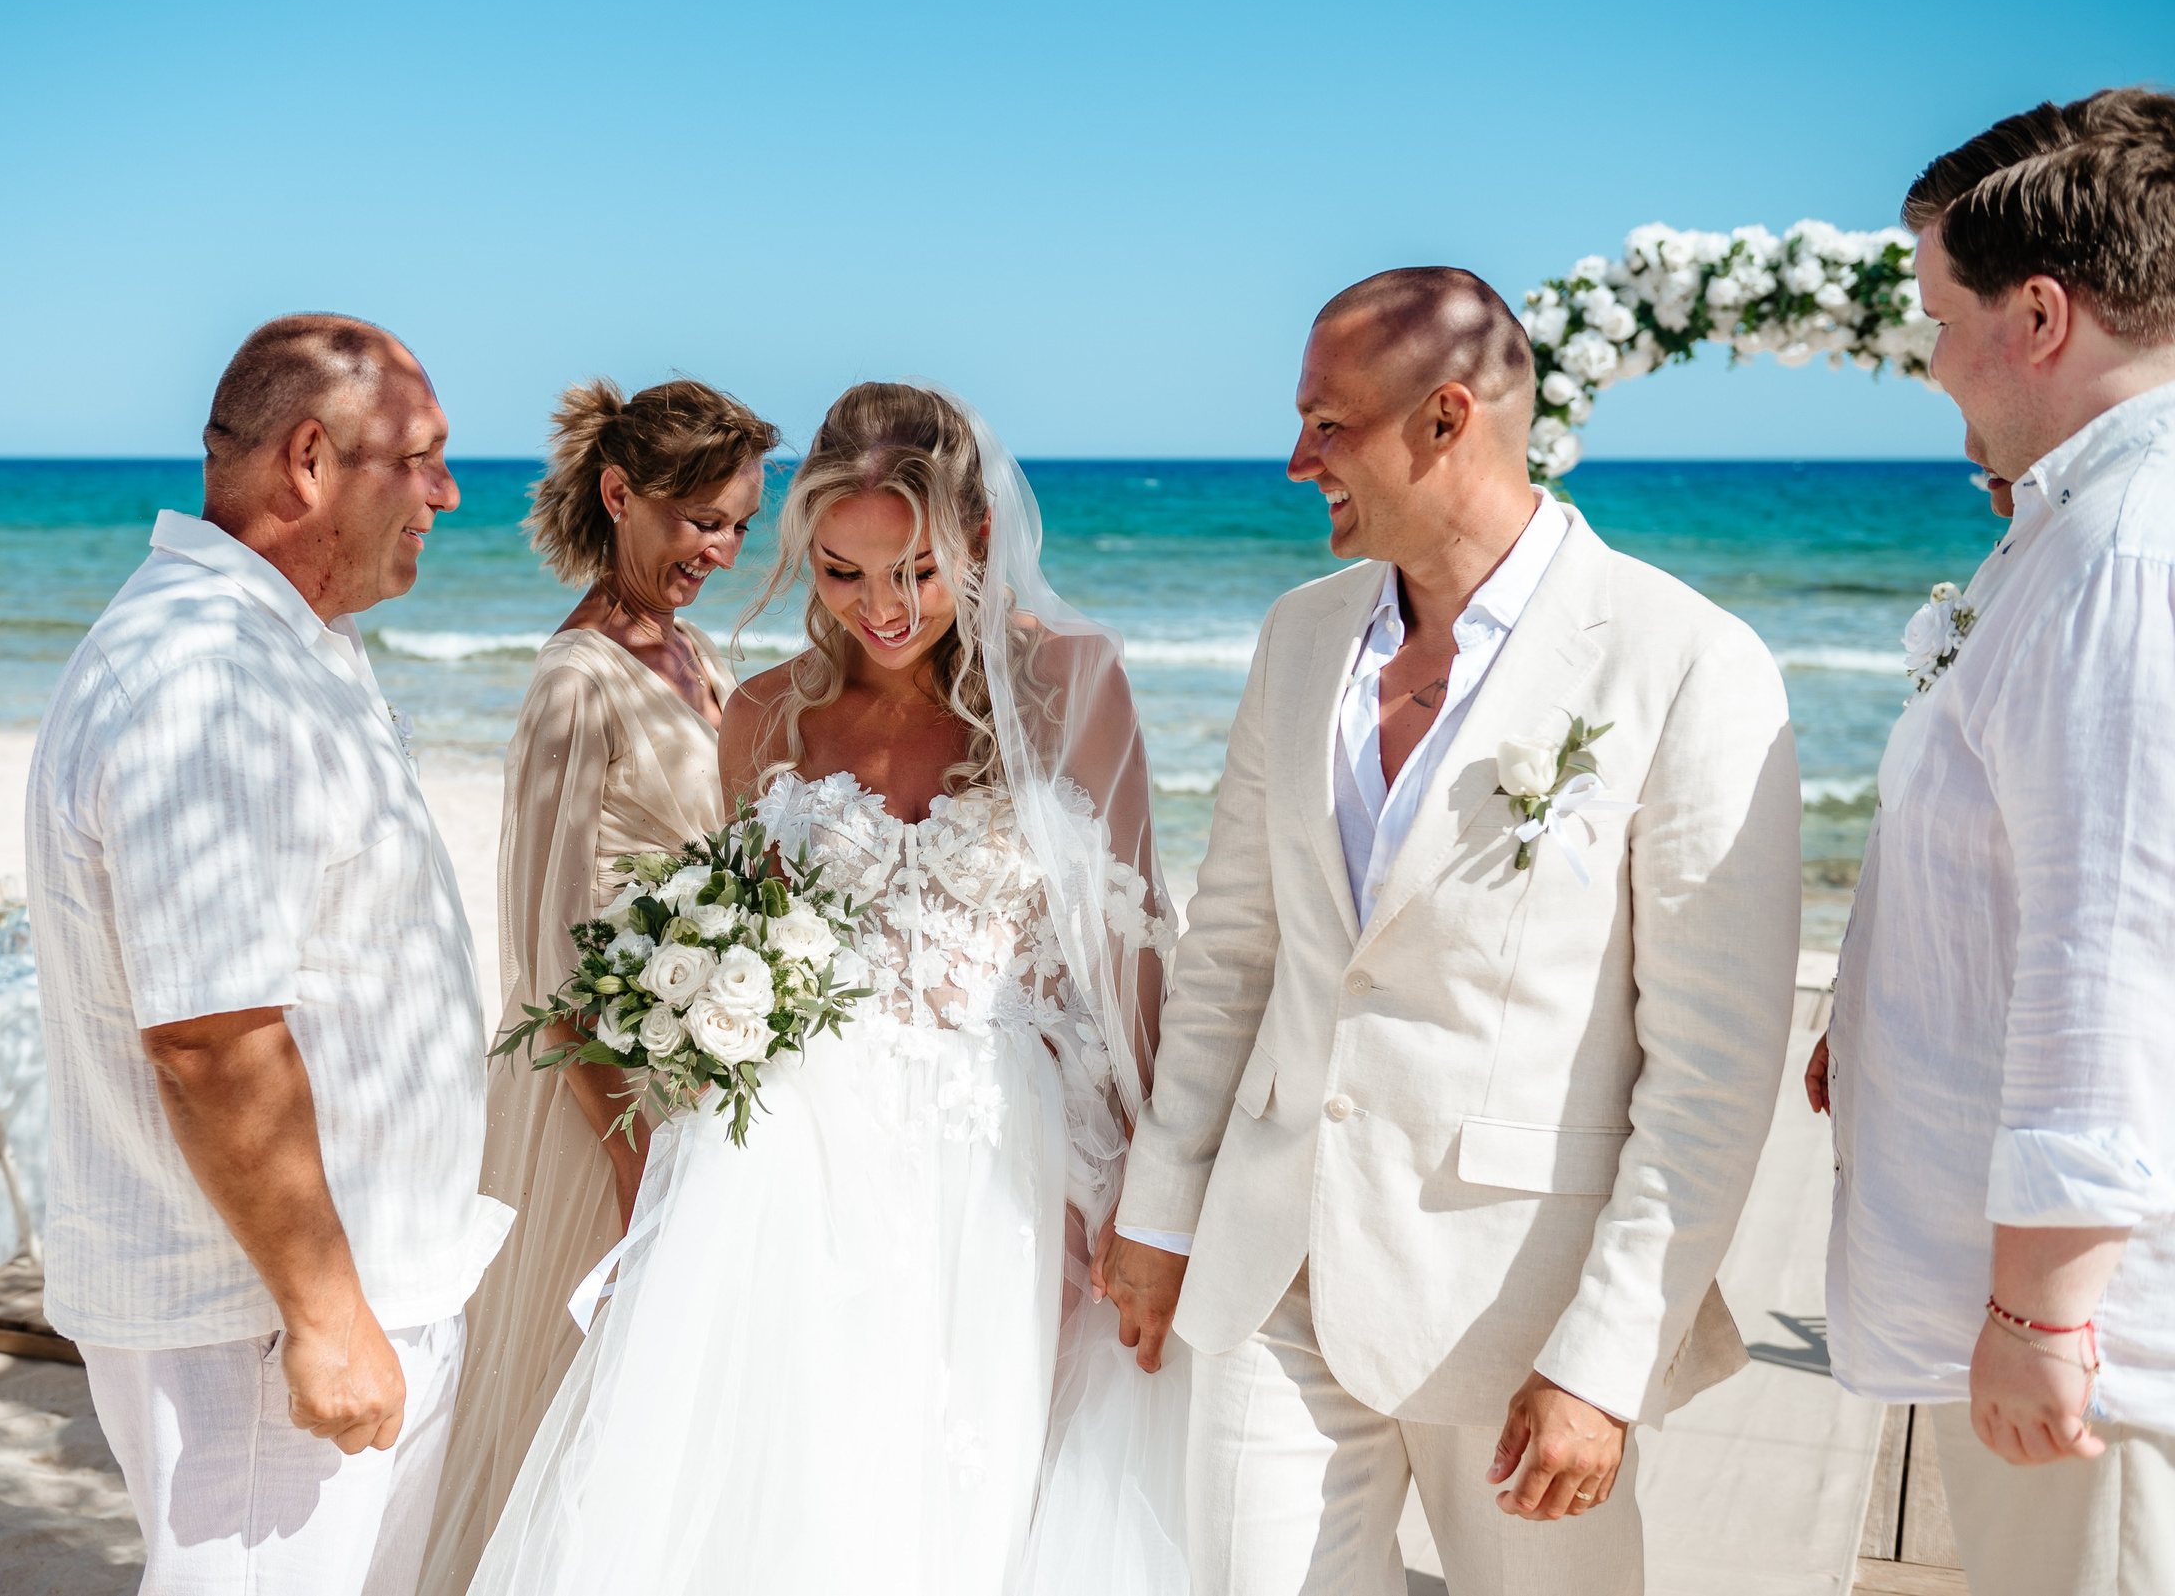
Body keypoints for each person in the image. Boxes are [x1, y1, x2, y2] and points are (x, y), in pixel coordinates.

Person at [1102, 269, 1804, 1596]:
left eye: (1326, 425)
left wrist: (1605, 1358)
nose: (1295, 460)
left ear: (1444, 419)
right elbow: (1233, 951)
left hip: (1520, 1305)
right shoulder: (1299, 636)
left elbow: (1710, 1067)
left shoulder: (1684, 659)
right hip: (1273, 1265)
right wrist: (1162, 1204)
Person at [467, 382, 1191, 1594]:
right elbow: (747, 947)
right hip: (789, 1173)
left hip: (1012, 1166)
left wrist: (1153, 1187)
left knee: (983, 1495)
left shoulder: (1073, 682)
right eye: (843, 572)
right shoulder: (763, 716)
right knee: (787, 1500)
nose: (881, 608)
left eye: (915, 570)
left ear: (976, 537)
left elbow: (1133, 948)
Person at [27, 314, 513, 1594]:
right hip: (253, 1314)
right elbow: (212, 1032)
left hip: (335, 1283)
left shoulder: (278, 642)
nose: (447, 494)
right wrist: (324, 1312)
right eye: (419, 457)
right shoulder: (207, 677)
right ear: (309, 462)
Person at [1813, 89, 2175, 1596]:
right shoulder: (2077, 529)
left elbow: (2112, 947)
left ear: (2037, 315)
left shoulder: (2125, 550)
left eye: (1939, 318)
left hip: (2101, 1350)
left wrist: (2041, 1311)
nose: (1930, 360)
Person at [415, 377, 779, 1593]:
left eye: (738, 524)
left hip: (689, 1082)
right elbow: (544, 957)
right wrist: (632, 1163)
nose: (720, 550)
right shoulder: (576, 677)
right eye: (699, 519)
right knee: (570, 1404)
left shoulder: (689, 650)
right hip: (597, 1108)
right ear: (620, 494)